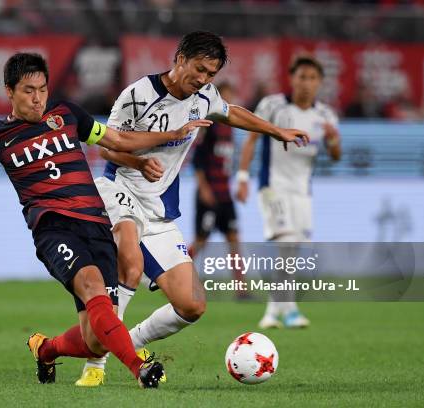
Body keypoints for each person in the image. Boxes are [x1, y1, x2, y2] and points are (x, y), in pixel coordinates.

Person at [0, 52, 212, 389]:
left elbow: (118, 140)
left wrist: (171, 135)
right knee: (93, 286)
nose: (37, 99)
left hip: (95, 224)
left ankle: (46, 349)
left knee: (95, 339)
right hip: (53, 228)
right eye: (28, 91)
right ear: (9, 91)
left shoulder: (66, 114)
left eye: (42, 89)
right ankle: (140, 367)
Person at [77, 31, 309, 387]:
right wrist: (138, 164)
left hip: (158, 209)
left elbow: (232, 114)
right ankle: (96, 364)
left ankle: (130, 341)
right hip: (119, 189)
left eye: (211, 74)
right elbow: (107, 148)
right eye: (199, 69)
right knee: (131, 263)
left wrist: (275, 131)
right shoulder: (138, 96)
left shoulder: (204, 97)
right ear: (180, 58)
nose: (202, 79)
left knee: (193, 305)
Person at [237, 55, 342, 329]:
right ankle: (289, 309)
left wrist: (332, 139)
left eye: (312, 78)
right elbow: (250, 139)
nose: (306, 83)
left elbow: (335, 156)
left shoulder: (325, 116)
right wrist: (243, 177)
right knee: (287, 244)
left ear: (320, 82)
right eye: (301, 77)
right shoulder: (272, 105)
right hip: (273, 187)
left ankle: (274, 311)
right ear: (292, 78)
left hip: (302, 193)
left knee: (292, 250)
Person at [188, 81, 248, 300]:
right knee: (201, 241)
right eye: (225, 98)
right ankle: (173, 278)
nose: (229, 103)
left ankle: (241, 289)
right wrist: (203, 188)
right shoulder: (210, 125)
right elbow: (197, 161)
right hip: (210, 195)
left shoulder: (230, 130)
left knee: (234, 238)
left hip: (225, 195)